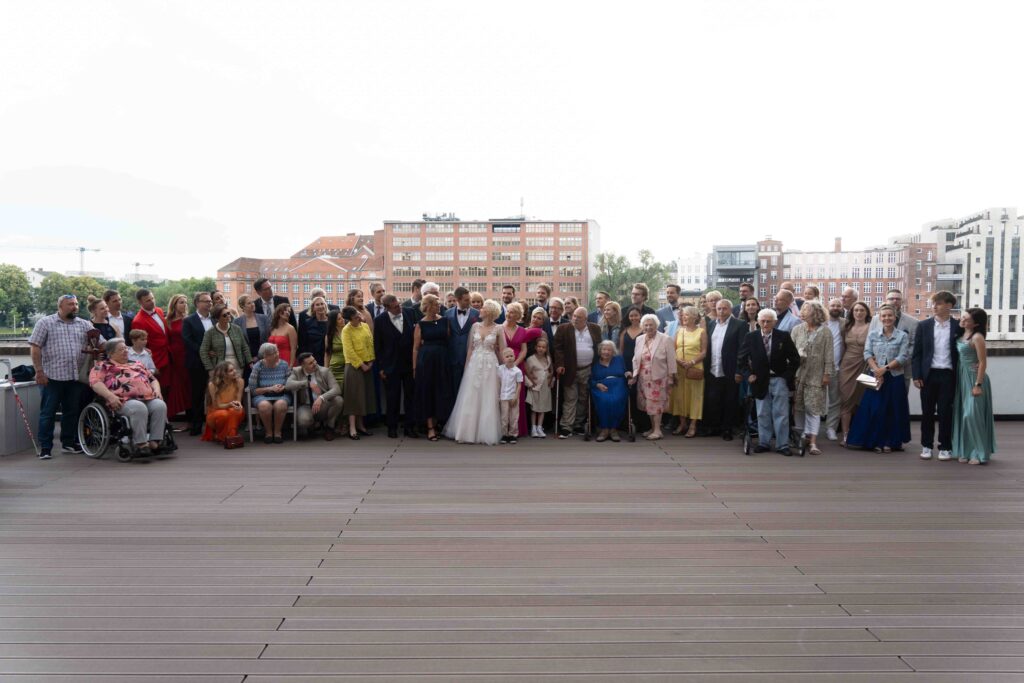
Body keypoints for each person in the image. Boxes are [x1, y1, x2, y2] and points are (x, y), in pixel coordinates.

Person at [28, 294, 94, 458]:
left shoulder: (85, 324)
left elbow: (101, 342)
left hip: (75, 377)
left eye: (76, 304)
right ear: (61, 306)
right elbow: (35, 347)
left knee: (71, 411)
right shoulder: (45, 323)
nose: (75, 307)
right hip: (52, 377)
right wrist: (39, 371)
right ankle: (45, 447)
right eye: (71, 304)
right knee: (48, 413)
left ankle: (68, 443)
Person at [846, 304, 911, 453]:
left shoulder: (902, 335)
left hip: (894, 377)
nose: (887, 318)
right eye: (884, 316)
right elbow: (867, 353)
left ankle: (890, 442)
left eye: (890, 315)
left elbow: (903, 356)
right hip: (874, 376)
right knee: (873, 409)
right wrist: (876, 370)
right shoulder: (873, 334)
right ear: (880, 318)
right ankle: (872, 441)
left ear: (895, 317)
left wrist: (885, 369)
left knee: (893, 410)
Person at [738, 309, 801, 456]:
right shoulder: (751, 337)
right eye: (763, 321)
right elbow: (741, 360)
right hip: (759, 380)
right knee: (762, 412)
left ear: (775, 322)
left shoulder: (783, 336)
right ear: (758, 322)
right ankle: (763, 442)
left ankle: (782, 444)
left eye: (769, 321)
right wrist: (749, 375)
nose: (765, 324)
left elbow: (795, 359)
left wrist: (786, 376)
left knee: (781, 413)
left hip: (779, 378)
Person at [89, 337, 168, 454]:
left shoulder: (137, 364)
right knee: (138, 408)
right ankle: (141, 444)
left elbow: (153, 379)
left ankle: (155, 441)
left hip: (147, 397)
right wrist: (111, 397)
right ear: (111, 353)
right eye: (121, 349)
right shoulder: (102, 366)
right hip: (123, 400)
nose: (126, 351)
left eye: (126, 348)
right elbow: (95, 383)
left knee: (159, 405)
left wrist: (157, 390)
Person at [444, 299, 505, 445]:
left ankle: (485, 432)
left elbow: (502, 350)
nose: (480, 310)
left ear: (489, 312)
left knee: (488, 396)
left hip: (490, 364)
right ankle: (466, 431)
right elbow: (470, 348)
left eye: (483, 308)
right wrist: (467, 367)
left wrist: (505, 370)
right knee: (470, 396)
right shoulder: (475, 326)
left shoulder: (498, 329)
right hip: (474, 363)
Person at [912, 291, 961, 461]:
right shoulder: (924, 325)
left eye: (938, 303)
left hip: (948, 375)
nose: (934, 306)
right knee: (927, 412)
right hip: (928, 375)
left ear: (949, 305)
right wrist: (916, 375)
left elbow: (966, 348)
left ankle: (945, 447)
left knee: (946, 412)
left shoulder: (958, 327)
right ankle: (926, 446)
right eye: (933, 303)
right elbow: (917, 353)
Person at [791, 301, 835, 456]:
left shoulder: (825, 332)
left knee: (813, 408)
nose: (802, 312)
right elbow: (790, 353)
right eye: (801, 309)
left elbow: (829, 355)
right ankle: (801, 437)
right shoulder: (797, 330)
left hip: (817, 375)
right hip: (798, 375)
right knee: (798, 407)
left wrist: (827, 374)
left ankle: (813, 442)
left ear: (815, 313)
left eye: (806, 309)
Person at [952, 308, 995, 465]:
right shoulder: (961, 333)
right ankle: (966, 450)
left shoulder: (977, 337)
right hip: (961, 377)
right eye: (962, 317)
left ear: (976, 323)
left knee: (971, 416)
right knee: (962, 416)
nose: (962, 320)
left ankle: (979, 452)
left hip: (974, 378)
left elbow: (983, 362)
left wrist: (978, 384)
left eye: (967, 319)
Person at [554, 307, 602, 438]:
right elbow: (558, 348)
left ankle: (578, 424)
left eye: (578, 317)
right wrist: (559, 364)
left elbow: (599, 347)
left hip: (588, 369)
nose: (575, 319)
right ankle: (566, 426)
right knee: (570, 398)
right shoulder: (563, 328)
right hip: (569, 369)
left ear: (586, 319)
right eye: (574, 316)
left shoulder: (595, 328)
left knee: (583, 398)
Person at [373, 294, 417, 438]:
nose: (399, 308)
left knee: (410, 396)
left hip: (410, 363)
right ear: (387, 308)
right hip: (390, 365)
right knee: (393, 397)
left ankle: (410, 427)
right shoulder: (379, 321)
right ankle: (392, 427)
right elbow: (377, 346)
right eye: (395, 306)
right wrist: (380, 368)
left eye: (399, 304)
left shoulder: (410, 313)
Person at [500, 302, 544, 436]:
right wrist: (505, 364)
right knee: (503, 396)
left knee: (516, 397)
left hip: (517, 366)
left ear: (518, 315)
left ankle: (516, 429)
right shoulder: (499, 328)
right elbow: (498, 348)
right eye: (507, 312)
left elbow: (524, 350)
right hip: (502, 365)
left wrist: (516, 364)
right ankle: (503, 429)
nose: (508, 314)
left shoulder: (522, 330)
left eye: (512, 312)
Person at [629, 313, 676, 440]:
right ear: (642, 326)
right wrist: (634, 375)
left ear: (656, 325)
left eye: (651, 324)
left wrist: (671, 377)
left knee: (656, 404)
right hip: (643, 378)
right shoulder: (639, 339)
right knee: (647, 404)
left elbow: (672, 360)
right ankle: (652, 428)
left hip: (658, 378)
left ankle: (657, 430)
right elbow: (635, 359)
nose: (648, 327)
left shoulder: (665, 339)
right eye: (646, 325)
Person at [412, 294, 452, 441]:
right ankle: (430, 427)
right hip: (426, 361)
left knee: (442, 390)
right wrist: (415, 368)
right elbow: (415, 348)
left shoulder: (445, 321)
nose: (439, 306)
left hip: (442, 360)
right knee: (427, 392)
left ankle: (439, 423)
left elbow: (448, 340)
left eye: (439, 303)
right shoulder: (420, 324)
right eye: (436, 304)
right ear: (428, 306)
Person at [704, 299, 745, 441]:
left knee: (730, 400)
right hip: (713, 368)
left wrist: (739, 371)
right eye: (719, 308)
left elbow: (742, 349)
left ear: (730, 309)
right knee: (713, 399)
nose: (721, 311)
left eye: (724, 308)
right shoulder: (710, 324)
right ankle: (714, 427)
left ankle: (727, 429)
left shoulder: (739, 325)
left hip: (730, 369)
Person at [285, 352, 344, 441]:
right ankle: (311, 426)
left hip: (323, 405)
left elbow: (337, 389)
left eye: (314, 360)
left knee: (338, 400)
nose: (315, 364)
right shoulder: (296, 371)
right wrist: (307, 384)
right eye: (310, 363)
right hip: (306, 405)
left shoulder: (325, 371)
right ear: (302, 365)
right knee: (304, 420)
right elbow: (288, 385)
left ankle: (329, 427)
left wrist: (321, 398)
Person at [869, 289, 919, 393]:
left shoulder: (913, 322)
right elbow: (870, 342)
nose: (895, 301)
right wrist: (874, 361)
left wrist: (897, 361)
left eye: (898, 299)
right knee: (878, 400)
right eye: (891, 298)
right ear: (886, 300)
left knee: (899, 401)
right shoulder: (875, 319)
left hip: (901, 369)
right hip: (878, 367)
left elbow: (913, 346)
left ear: (902, 302)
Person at [838, 301, 872, 444]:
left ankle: (860, 434)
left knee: (863, 400)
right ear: (852, 312)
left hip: (866, 365)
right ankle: (846, 435)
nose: (859, 313)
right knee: (846, 400)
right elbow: (842, 347)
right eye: (856, 310)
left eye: (862, 310)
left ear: (867, 313)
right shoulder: (846, 327)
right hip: (847, 366)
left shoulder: (872, 327)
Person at [340, 305, 375, 440]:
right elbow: (349, 351)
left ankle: (361, 425)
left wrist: (371, 361)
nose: (359, 318)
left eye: (358, 315)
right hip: (354, 367)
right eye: (355, 317)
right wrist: (361, 365)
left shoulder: (364, 326)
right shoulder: (346, 330)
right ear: (349, 319)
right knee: (353, 398)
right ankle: (352, 428)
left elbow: (370, 344)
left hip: (367, 364)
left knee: (363, 397)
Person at [669, 306, 705, 438]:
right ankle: (682, 423)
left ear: (695, 317)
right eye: (683, 315)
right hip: (679, 367)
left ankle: (693, 425)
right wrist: (678, 361)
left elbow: (704, 351)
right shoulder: (679, 331)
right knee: (679, 396)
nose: (684, 317)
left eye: (687, 315)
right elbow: (673, 349)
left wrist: (691, 362)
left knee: (695, 396)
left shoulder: (701, 331)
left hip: (694, 367)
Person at [182, 291, 214, 435]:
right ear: (197, 303)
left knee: (215, 392)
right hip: (197, 362)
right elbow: (188, 341)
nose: (209, 303)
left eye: (210, 301)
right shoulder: (189, 320)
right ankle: (196, 425)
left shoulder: (215, 319)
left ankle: (214, 424)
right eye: (206, 301)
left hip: (215, 362)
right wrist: (205, 352)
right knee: (197, 394)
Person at [249, 343, 292, 444]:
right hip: (262, 395)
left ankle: (277, 432)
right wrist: (269, 388)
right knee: (264, 406)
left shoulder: (284, 364)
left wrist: (284, 387)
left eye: (277, 351)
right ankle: (268, 432)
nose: (277, 354)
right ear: (265, 356)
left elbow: (290, 382)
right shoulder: (257, 366)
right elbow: (252, 389)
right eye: (273, 353)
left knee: (280, 405)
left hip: (282, 394)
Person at [619, 305, 649, 435]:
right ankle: (627, 423)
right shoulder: (624, 331)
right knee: (628, 394)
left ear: (640, 316)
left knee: (641, 394)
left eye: (636, 315)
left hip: (642, 366)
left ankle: (642, 423)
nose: (633, 318)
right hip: (627, 365)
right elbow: (620, 351)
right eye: (631, 315)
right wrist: (623, 368)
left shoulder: (645, 330)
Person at [590, 340, 629, 442]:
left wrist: (629, 374)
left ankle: (613, 429)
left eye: (609, 350)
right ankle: (604, 429)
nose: (606, 352)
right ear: (600, 351)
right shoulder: (595, 363)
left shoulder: (619, 359)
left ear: (613, 352)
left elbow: (625, 372)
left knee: (616, 400)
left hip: (618, 384)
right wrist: (597, 384)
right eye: (604, 349)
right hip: (601, 385)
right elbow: (591, 379)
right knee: (604, 400)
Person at [444, 287, 481, 396]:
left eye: (469, 299)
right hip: (453, 356)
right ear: (458, 300)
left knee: (470, 389)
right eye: (466, 300)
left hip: (471, 356)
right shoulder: (447, 313)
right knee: (453, 388)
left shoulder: (477, 314)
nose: (470, 302)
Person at [163, 294, 191, 425]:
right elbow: (165, 340)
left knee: (188, 384)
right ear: (174, 305)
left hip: (187, 353)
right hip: (174, 355)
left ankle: (190, 415)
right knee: (176, 384)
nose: (184, 305)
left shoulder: (189, 320)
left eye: (185, 302)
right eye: (181, 302)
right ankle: (173, 416)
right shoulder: (167, 320)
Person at [200, 304, 252, 375]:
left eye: (228, 313)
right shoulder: (210, 332)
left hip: (238, 367)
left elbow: (244, 347)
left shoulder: (237, 329)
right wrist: (210, 369)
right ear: (217, 318)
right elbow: (203, 351)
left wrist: (250, 362)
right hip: (220, 369)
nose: (228, 316)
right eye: (224, 315)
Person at [131, 288, 171, 379]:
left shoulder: (159, 310)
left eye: (152, 298)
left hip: (168, 356)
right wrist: (151, 365)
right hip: (156, 360)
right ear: (140, 302)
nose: (152, 301)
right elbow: (140, 347)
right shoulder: (138, 321)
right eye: (148, 300)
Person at [201, 361, 244, 443]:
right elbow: (217, 406)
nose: (235, 371)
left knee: (236, 411)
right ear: (223, 374)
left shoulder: (240, 381)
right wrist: (229, 404)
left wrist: (239, 405)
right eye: (231, 370)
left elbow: (238, 400)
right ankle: (228, 437)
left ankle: (228, 437)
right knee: (223, 414)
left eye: (234, 369)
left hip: (232, 410)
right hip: (216, 412)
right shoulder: (213, 384)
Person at [824, 298, 846, 442]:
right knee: (815, 400)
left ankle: (831, 428)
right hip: (820, 369)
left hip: (838, 368)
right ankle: (810, 430)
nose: (836, 307)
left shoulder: (845, 323)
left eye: (838, 305)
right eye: (833, 305)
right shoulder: (821, 322)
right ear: (828, 307)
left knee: (835, 401)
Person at [232, 294, 270, 373]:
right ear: (242, 306)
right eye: (249, 303)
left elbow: (268, 338)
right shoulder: (237, 322)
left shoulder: (263, 318)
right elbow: (237, 343)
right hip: (246, 360)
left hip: (263, 357)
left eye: (252, 302)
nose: (252, 304)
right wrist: (249, 359)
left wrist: (259, 356)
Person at [524, 336, 554, 438]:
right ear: (536, 347)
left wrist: (551, 380)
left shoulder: (548, 359)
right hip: (535, 386)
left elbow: (550, 372)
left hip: (545, 387)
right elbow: (526, 373)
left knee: (542, 408)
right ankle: (533, 427)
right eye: (539, 346)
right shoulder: (530, 359)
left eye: (543, 347)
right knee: (534, 408)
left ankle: (540, 427)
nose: (541, 349)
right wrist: (530, 383)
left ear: (546, 349)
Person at [498, 348, 524, 444]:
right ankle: (504, 434)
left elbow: (519, 385)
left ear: (514, 356)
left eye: (511, 356)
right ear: (503, 358)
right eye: (507, 356)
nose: (509, 358)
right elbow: (499, 383)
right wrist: (498, 396)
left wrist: (516, 397)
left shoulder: (517, 371)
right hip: (503, 397)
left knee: (514, 417)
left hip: (513, 397)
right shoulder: (500, 369)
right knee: (504, 417)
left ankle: (513, 434)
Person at [298, 296, 330, 366]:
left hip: (329, 358)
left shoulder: (331, 322)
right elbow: (303, 343)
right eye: (317, 305)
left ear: (325, 306)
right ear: (313, 308)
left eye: (322, 304)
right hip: (313, 359)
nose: (320, 306)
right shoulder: (307, 323)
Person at [323, 309, 346, 394]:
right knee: (337, 393)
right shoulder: (329, 336)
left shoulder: (348, 331)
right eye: (339, 319)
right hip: (335, 369)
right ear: (334, 322)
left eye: (342, 317)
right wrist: (325, 369)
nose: (343, 319)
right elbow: (327, 353)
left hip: (347, 367)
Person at [267, 303, 298, 368]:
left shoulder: (290, 328)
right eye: (285, 310)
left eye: (289, 311)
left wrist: (291, 365)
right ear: (279, 311)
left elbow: (294, 349)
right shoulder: (273, 328)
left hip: (286, 359)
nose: (287, 313)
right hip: (273, 361)